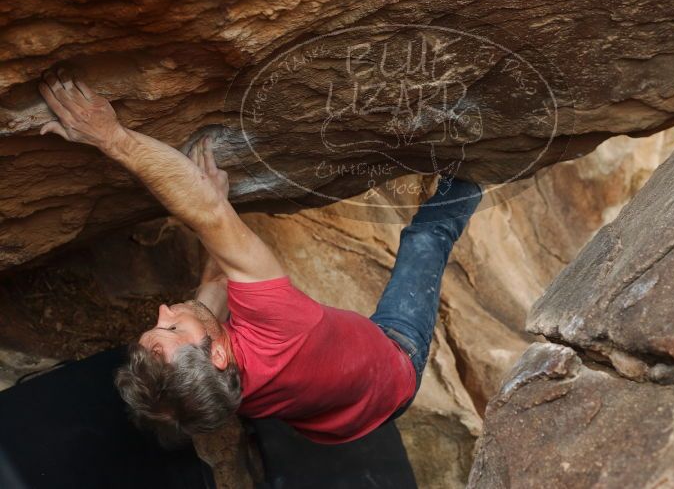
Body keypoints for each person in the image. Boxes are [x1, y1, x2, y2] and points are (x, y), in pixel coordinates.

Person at [37, 68, 483, 446]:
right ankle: (477, 173)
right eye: (171, 326)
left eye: (160, 322)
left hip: (338, 423)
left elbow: (215, 286)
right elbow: (207, 217)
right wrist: (112, 137)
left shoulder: (212, 396)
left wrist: (219, 210)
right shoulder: (279, 324)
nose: (164, 309)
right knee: (425, 240)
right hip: (395, 362)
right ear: (217, 358)